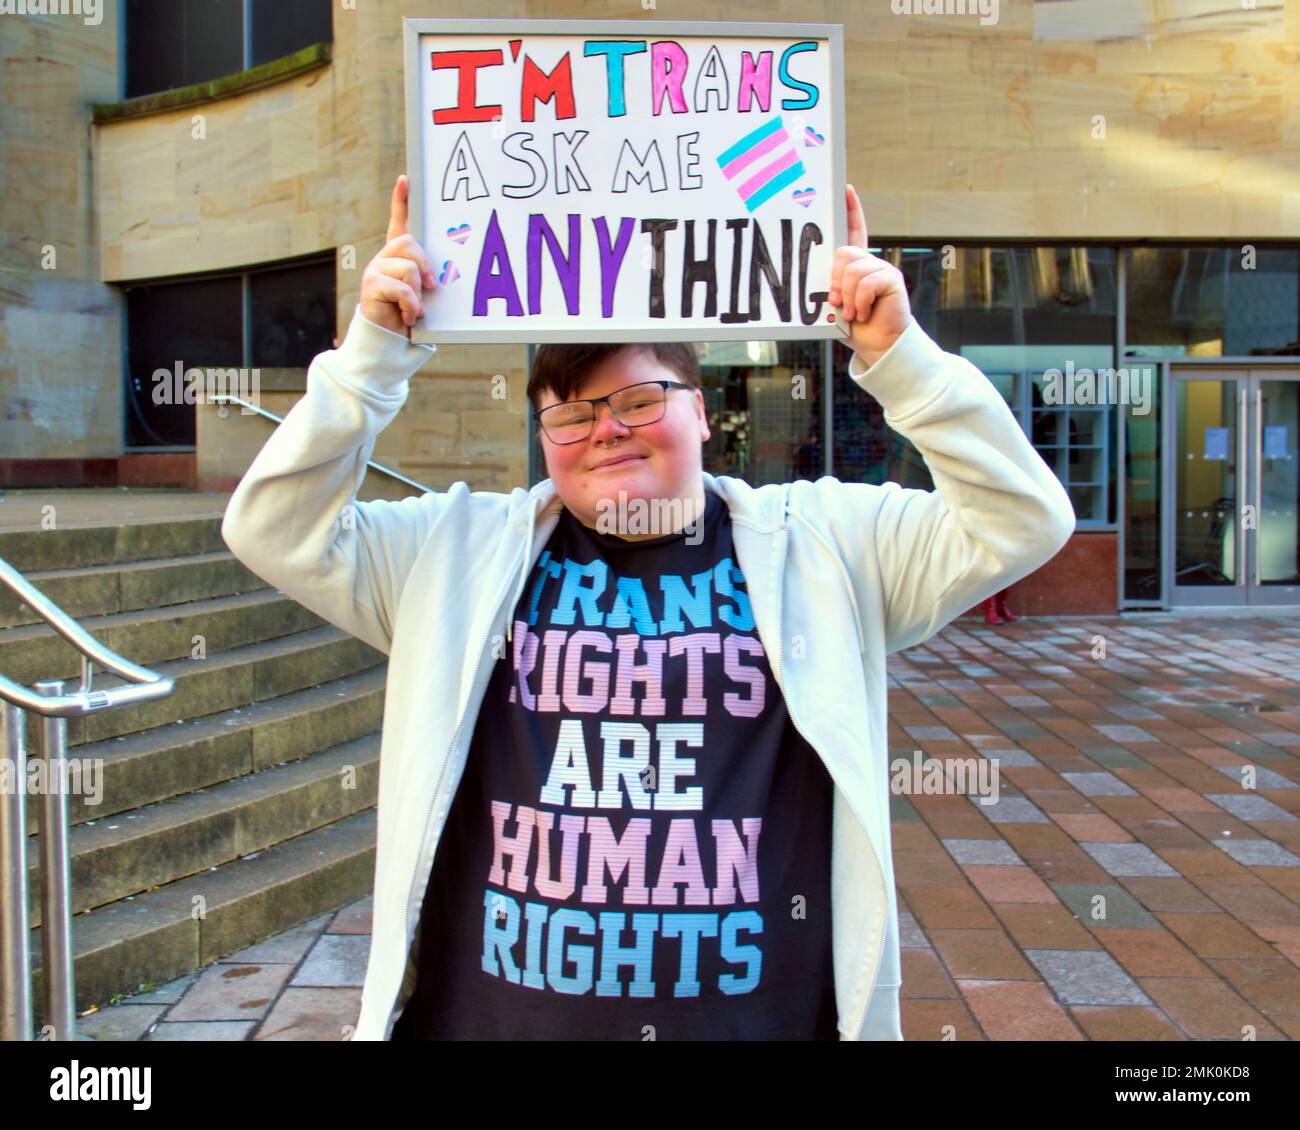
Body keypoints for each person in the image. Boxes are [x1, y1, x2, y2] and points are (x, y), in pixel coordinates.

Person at [221, 174, 1075, 1041]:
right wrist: (371, 359)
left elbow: (1023, 520)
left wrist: (901, 357)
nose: (607, 430)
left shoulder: (829, 544)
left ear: (702, 413)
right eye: (571, 414)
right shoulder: (452, 552)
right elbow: (272, 528)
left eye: (639, 400)